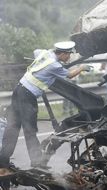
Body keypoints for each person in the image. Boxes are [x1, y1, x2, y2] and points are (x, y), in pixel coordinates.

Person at [0, 41, 88, 169]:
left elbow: (36, 51)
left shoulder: (45, 53)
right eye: (68, 54)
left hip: (18, 91)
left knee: (12, 127)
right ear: (62, 54)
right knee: (30, 129)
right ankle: (37, 162)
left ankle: (3, 160)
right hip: (27, 96)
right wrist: (82, 68)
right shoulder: (54, 65)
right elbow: (69, 75)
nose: (69, 57)